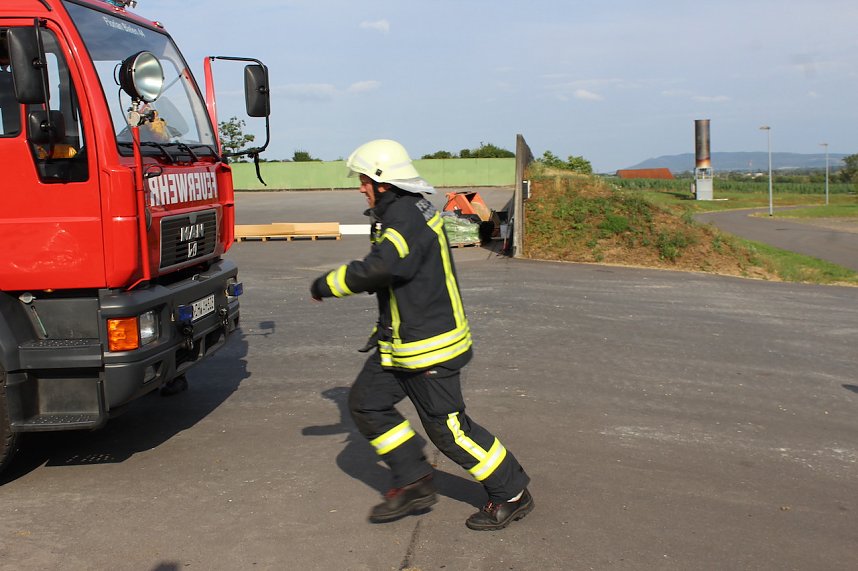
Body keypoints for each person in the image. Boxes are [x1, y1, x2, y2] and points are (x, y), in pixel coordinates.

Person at [310, 139, 534, 531]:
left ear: (381, 181)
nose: (359, 186)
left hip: (429, 347)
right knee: (367, 403)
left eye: (363, 179)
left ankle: (512, 492)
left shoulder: (404, 219)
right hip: (401, 341)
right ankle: (414, 479)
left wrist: (327, 284)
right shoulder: (406, 208)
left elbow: (382, 267)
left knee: (448, 431)